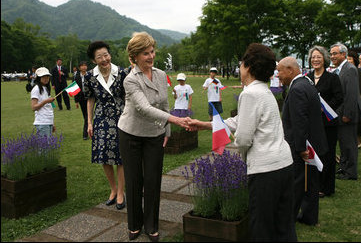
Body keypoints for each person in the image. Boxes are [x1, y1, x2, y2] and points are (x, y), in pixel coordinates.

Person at [188, 43, 297, 241]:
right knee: (283, 224)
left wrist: (238, 143)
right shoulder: (264, 91)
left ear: (248, 66)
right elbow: (239, 121)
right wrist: (204, 124)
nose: (239, 68)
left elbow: (244, 138)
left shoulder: (249, 94)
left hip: (266, 171)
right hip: (284, 164)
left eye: (241, 64)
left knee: (261, 226)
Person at [118, 32, 190, 242]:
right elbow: (144, 108)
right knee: (134, 181)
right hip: (130, 134)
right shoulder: (130, 80)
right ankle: (134, 224)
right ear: (134, 56)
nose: (151, 56)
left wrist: (167, 129)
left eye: (152, 51)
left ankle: (151, 225)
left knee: (152, 180)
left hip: (155, 134)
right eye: (145, 53)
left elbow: (164, 103)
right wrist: (175, 121)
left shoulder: (159, 74)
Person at [277, 56, 328, 226]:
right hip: (313, 143)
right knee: (311, 183)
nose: (278, 76)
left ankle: (288, 219)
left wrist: (300, 148)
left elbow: (300, 122)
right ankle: (309, 217)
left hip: (304, 146)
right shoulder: (306, 83)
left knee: (298, 183)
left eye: (280, 72)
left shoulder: (298, 89)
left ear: (290, 70)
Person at [84, 41, 127, 211]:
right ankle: (113, 189)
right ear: (94, 60)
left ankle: (121, 193)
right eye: (100, 57)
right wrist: (89, 122)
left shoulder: (123, 72)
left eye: (106, 55)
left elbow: (127, 96)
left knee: (121, 156)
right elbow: (90, 99)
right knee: (103, 155)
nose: (104, 59)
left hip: (121, 117)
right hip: (101, 118)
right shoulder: (89, 76)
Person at [307, 46, 343, 198]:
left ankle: (325, 187)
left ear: (324, 59)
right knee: (313, 154)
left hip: (327, 123)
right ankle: (312, 185)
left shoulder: (332, 78)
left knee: (327, 155)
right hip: (311, 124)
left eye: (318, 57)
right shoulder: (307, 77)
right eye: (313, 57)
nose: (315, 60)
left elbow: (339, 97)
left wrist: (325, 108)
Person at [330, 43, 361, 180]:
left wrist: (347, 115)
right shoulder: (340, 69)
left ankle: (350, 172)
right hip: (340, 114)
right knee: (343, 143)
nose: (332, 56)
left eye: (335, 54)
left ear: (343, 54)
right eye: (331, 54)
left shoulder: (349, 69)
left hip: (347, 115)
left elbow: (351, 94)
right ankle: (343, 168)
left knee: (349, 144)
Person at [347, 51, 361, 148]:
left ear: (354, 59)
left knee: (357, 123)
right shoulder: (347, 71)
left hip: (357, 102)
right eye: (347, 59)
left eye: (350, 59)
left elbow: (360, 90)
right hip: (348, 101)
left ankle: (358, 142)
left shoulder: (358, 71)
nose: (348, 61)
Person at [30, 67, 56, 137]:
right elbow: (33, 107)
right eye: (43, 77)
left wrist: (52, 123)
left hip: (48, 121)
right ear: (39, 78)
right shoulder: (36, 89)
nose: (46, 79)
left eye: (47, 76)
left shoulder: (46, 89)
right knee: (45, 147)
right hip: (42, 122)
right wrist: (46, 101)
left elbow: (49, 108)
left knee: (48, 146)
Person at [74, 61, 89, 140]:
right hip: (81, 98)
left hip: (89, 98)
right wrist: (76, 101)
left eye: (85, 65)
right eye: (82, 66)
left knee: (87, 115)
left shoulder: (89, 75)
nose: (84, 67)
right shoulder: (77, 77)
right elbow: (75, 89)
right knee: (85, 115)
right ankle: (89, 128)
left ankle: (85, 134)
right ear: (79, 68)